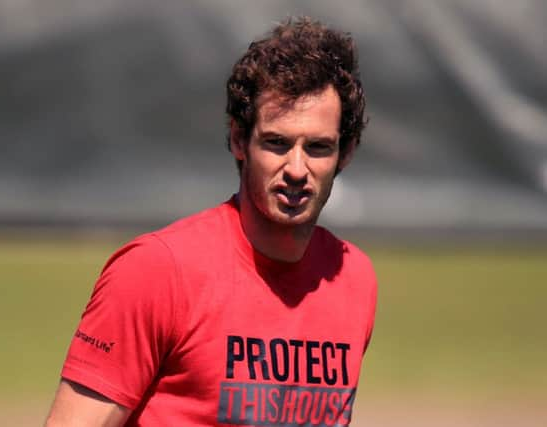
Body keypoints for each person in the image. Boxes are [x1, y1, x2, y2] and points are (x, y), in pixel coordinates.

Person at [46, 16, 376, 427]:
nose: (296, 167)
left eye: (318, 147)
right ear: (240, 139)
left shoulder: (354, 279)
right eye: (276, 142)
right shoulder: (156, 270)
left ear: (346, 153)